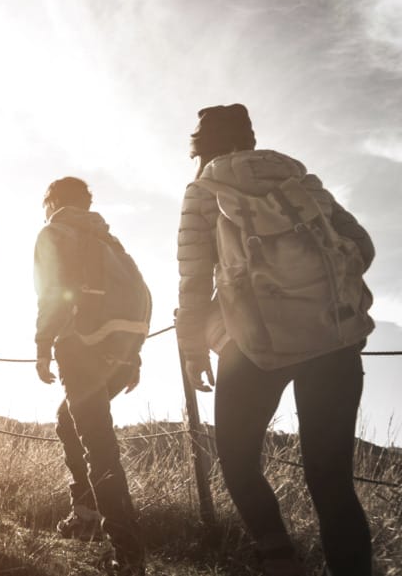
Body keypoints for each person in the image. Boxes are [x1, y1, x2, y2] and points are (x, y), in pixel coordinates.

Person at [177, 104, 375, 576]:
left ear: (200, 146)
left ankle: (280, 558)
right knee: (332, 483)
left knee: (238, 460)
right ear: (249, 138)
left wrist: (193, 347)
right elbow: (362, 246)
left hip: (250, 346)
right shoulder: (299, 180)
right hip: (334, 339)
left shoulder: (203, 190)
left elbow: (193, 281)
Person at [34, 177, 151, 576]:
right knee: (69, 422)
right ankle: (84, 513)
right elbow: (138, 297)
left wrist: (42, 344)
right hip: (119, 350)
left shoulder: (54, 232)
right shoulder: (108, 239)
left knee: (98, 444)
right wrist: (133, 358)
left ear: (51, 202)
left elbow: (52, 292)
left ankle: (127, 550)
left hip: (80, 347)